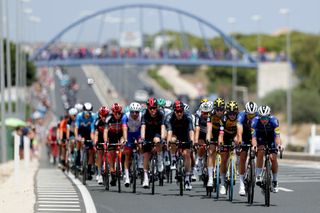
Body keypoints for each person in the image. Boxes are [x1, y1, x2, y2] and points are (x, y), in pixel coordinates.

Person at [251, 105, 282, 193]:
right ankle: (258, 175)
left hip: (271, 138)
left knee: (273, 158)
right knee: (260, 151)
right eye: (261, 118)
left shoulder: (274, 121)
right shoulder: (254, 121)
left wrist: (279, 144)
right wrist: (254, 145)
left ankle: (275, 181)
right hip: (260, 138)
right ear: (259, 116)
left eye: (265, 118)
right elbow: (253, 137)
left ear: (269, 116)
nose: (263, 120)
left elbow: (277, 136)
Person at [166, 100, 194, 190]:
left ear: (183, 111)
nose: (179, 113)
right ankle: (174, 158)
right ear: (174, 111)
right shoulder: (170, 118)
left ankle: (187, 178)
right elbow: (169, 132)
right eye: (177, 111)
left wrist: (192, 141)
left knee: (187, 154)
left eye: (180, 111)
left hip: (185, 135)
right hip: (175, 134)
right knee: (173, 140)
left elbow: (191, 131)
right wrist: (168, 143)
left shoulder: (187, 117)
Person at [140, 97, 166, 188]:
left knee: (157, 140)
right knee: (146, 155)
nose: (152, 110)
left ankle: (159, 159)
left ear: (157, 107)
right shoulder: (144, 114)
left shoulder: (161, 114)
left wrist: (162, 138)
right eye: (150, 108)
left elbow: (163, 127)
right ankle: (146, 178)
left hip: (157, 132)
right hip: (147, 134)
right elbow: (143, 127)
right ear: (147, 108)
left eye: (154, 108)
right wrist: (142, 139)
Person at [218, 100, 240, 195]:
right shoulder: (223, 118)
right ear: (227, 112)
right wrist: (220, 142)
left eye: (234, 113)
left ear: (237, 112)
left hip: (235, 135)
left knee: (238, 144)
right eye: (230, 113)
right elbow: (221, 134)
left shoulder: (239, 118)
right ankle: (222, 183)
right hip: (225, 136)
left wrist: (239, 142)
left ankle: (237, 166)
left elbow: (240, 133)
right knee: (224, 158)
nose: (232, 115)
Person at [237, 101, 258, 196]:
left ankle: (259, 173)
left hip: (255, 137)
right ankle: (241, 184)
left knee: (259, 151)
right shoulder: (241, 116)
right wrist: (240, 141)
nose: (251, 117)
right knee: (242, 157)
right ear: (246, 113)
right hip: (244, 136)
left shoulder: (258, 116)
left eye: (253, 115)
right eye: (249, 115)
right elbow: (239, 131)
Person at [206, 98, 225, 188]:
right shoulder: (211, 114)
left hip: (224, 133)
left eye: (221, 110)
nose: (219, 112)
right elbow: (209, 128)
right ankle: (210, 177)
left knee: (225, 151)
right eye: (217, 110)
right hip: (213, 132)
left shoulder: (226, 115)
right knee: (211, 151)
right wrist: (208, 139)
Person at [122, 102, 142, 187]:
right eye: (132, 112)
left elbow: (143, 128)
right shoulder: (125, 116)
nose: (134, 114)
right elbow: (124, 128)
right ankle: (127, 176)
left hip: (138, 133)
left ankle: (140, 161)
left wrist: (141, 140)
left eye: (137, 112)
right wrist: (126, 139)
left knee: (141, 145)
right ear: (130, 111)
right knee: (127, 154)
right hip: (129, 134)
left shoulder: (142, 116)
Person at [74, 102, 96, 180]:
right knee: (79, 144)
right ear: (83, 111)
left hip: (89, 133)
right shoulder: (79, 116)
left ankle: (89, 169)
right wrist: (77, 137)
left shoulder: (93, 116)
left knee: (91, 151)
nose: (88, 114)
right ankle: (78, 162)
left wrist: (93, 139)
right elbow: (76, 128)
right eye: (86, 112)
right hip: (81, 132)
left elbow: (94, 129)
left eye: (89, 112)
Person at [105, 103, 124, 187]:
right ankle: (112, 171)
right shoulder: (108, 118)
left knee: (124, 150)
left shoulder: (123, 117)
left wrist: (124, 140)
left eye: (119, 113)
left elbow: (125, 130)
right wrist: (106, 141)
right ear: (112, 112)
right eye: (115, 113)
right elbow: (105, 131)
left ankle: (122, 168)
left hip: (121, 134)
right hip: (112, 135)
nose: (117, 115)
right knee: (111, 154)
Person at [193, 101, 213, 178]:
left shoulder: (212, 116)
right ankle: (200, 160)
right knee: (201, 146)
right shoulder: (198, 115)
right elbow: (197, 129)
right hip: (201, 133)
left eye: (207, 113)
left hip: (210, 132)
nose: (206, 115)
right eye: (204, 113)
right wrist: (195, 142)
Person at [93, 106, 109, 185]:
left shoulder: (109, 121)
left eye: (105, 116)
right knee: (99, 155)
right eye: (102, 116)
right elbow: (96, 133)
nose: (104, 117)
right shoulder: (97, 122)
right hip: (100, 139)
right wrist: (95, 142)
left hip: (108, 138)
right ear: (99, 115)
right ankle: (99, 174)